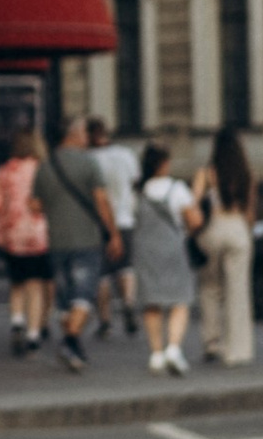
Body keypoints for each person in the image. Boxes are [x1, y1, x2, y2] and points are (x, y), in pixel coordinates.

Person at [40, 110, 119, 373]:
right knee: (84, 295)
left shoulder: (46, 165)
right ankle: (69, 341)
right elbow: (101, 201)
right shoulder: (88, 164)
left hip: (56, 240)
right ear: (73, 135)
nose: (88, 136)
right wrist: (114, 234)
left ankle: (74, 349)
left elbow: (34, 203)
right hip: (86, 238)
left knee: (64, 299)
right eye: (85, 131)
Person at [131, 141, 202, 374]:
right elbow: (194, 221)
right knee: (179, 299)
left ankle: (156, 353)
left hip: (145, 249)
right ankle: (173, 347)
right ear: (163, 164)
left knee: (152, 301)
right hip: (172, 247)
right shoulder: (177, 188)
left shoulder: (138, 191)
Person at [0, 124, 52, 350]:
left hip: (11, 234)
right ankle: (33, 334)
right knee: (35, 285)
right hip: (38, 234)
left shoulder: (5, 171)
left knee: (16, 284)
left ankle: (17, 321)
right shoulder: (42, 169)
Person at [194, 128, 256, 365]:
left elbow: (195, 204)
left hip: (213, 228)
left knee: (210, 287)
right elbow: (250, 214)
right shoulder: (246, 174)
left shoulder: (207, 172)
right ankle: (237, 350)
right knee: (238, 291)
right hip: (238, 227)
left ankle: (212, 342)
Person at [88, 116, 140, 336]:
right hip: (125, 217)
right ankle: (128, 304)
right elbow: (135, 181)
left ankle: (105, 320)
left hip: (97, 220)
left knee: (102, 274)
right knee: (125, 267)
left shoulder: (89, 159)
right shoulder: (125, 154)